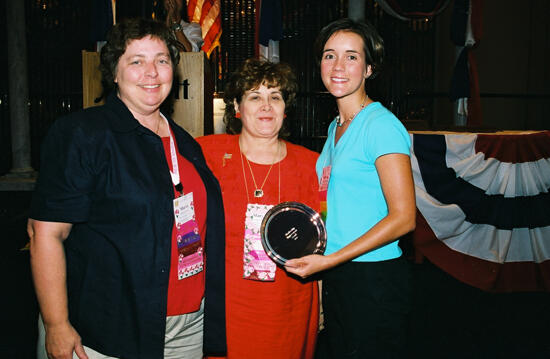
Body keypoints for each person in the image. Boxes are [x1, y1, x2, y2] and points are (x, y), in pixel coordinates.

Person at [27, 18, 226, 359]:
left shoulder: (186, 144)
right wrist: (57, 323)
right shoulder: (83, 135)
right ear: (114, 73)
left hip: (188, 327)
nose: (152, 72)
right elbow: (45, 234)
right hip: (108, 329)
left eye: (162, 60)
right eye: (136, 61)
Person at [285, 18, 416, 358]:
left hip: (373, 278)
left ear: (370, 68)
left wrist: (330, 262)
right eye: (330, 56)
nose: (338, 66)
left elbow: (404, 218)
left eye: (351, 57)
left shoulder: (381, 126)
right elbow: (334, 202)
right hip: (339, 272)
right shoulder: (335, 126)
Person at [196, 58, 319, 359]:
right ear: (237, 108)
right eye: (255, 96)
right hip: (225, 304)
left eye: (275, 97)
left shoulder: (312, 166)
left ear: (284, 109)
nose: (266, 105)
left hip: (288, 304)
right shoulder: (206, 154)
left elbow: (326, 238)